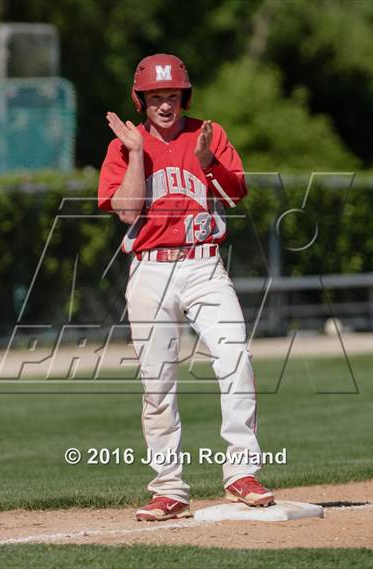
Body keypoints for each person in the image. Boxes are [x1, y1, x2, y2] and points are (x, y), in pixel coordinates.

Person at [98, 53, 274, 521]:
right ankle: (169, 488)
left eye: (172, 96)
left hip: (203, 266)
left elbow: (236, 193)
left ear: (184, 97)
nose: (165, 105)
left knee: (234, 357)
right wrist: (136, 153)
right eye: (155, 97)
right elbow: (127, 212)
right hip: (150, 271)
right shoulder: (124, 146)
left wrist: (208, 161)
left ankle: (241, 473)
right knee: (158, 384)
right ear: (142, 101)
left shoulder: (208, 135)